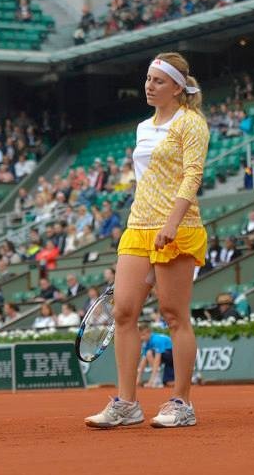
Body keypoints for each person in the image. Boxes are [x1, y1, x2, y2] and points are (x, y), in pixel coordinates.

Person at [85, 52, 210, 429]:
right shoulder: (142, 128)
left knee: (174, 315)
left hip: (178, 227)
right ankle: (126, 404)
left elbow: (193, 175)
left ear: (177, 86)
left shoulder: (192, 123)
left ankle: (182, 403)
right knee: (123, 312)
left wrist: (171, 223)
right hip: (137, 228)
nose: (149, 85)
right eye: (148, 79)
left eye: (158, 81)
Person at [136, 322, 174, 389]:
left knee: (149, 353)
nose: (141, 337)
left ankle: (156, 380)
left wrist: (151, 381)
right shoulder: (146, 343)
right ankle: (192, 379)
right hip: (168, 360)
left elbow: (157, 360)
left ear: (149, 333)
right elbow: (143, 361)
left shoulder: (156, 340)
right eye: (140, 335)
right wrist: (138, 380)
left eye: (143, 335)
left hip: (174, 357)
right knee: (168, 383)